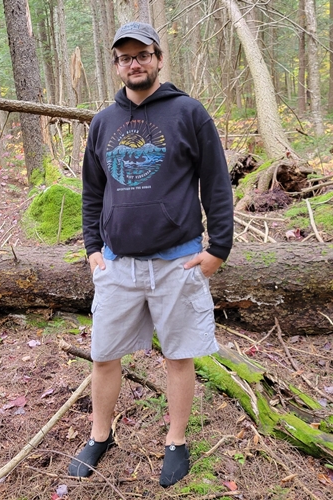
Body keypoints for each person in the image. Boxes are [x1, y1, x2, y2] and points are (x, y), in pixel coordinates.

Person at [68, 21, 234, 487]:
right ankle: (101, 435)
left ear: (159, 58)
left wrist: (218, 248)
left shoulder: (189, 113)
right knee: (104, 355)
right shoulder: (104, 122)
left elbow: (216, 184)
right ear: (116, 66)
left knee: (178, 356)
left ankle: (176, 441)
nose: (134, 64)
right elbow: (92, 191)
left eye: (142, 54)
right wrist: (92, 248)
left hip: (177, 260)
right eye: (125, 58)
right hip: (118, 264)